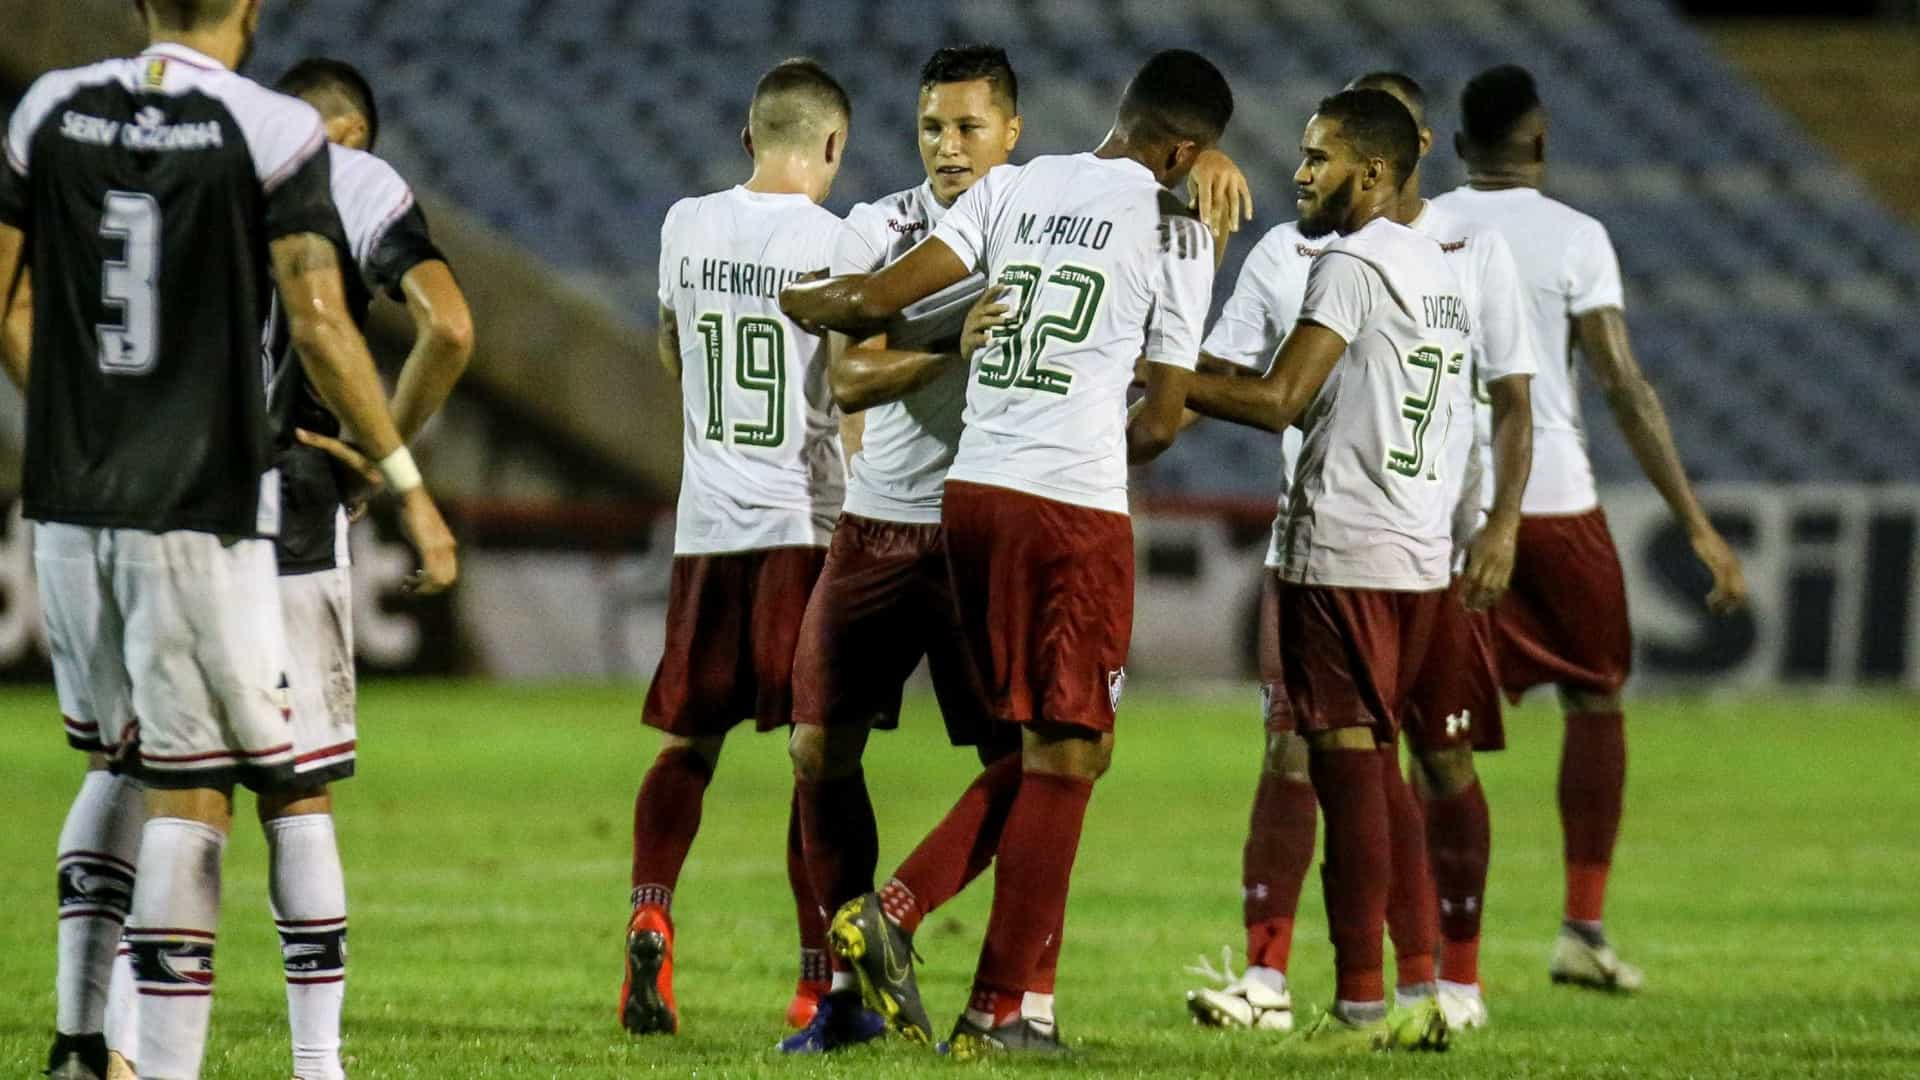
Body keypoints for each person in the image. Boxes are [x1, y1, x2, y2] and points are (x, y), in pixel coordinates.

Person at [0, 1, 458, 1076]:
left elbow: (7, 302)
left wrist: (80, 424)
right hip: (218, 501)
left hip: (73, 500)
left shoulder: (50, 111)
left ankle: (83, 1041)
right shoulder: (275, 134)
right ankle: (253, 1066)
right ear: (248, 10)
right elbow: (331, 321)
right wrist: (405, 479)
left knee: (122, 765)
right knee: (215, 789)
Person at [782, 43, 1253, 1055]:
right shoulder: (1177, 229)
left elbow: (874, 299)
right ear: (1185, 153)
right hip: (1066, 502)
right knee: (1068, 749)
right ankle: (974, 984)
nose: (950, 148)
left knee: (1046, 749)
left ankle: (987, 990)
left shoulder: (1020, 189)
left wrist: (822, 303)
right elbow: (1165, 419)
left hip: (970, 497)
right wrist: (1097, 437)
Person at [1182, 72, 1534, 1037]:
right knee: (1374, 768)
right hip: (1417, 555)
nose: (1298, 173)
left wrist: (1149, 367)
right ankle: (1416, 985)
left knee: (1350, 773)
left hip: (1341, 550)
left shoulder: (1349, 264)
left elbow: (1276, 400)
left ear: (1372, 170)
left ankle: (1366, 997)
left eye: (1316, 155)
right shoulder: (1435, 269)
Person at [1433, 64, 1748, 992]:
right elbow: (1622, 383)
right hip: (1558, 502)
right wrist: (1695, 523)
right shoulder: (1578, 237)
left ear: (1454, 148)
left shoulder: (1429, 225)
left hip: (1447, 509)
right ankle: (1581, 925)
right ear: (1540, 141)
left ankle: (1441, 955)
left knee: (1439, 729)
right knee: (1598, 695)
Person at [621, 57, 852, 1037]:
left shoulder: (686, 223)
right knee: (820, 764)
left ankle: (650, 916)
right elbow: (853, 392)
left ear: (750, 139)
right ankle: (812, 983)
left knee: (691, 742)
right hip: (803, 528)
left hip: (708, 527)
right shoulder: (840, 242)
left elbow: (673, 348)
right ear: (832, 147)